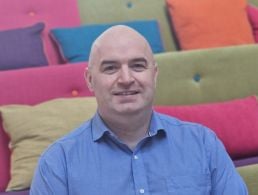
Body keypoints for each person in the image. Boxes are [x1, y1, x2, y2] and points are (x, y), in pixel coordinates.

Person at [30, 25, 248, 195]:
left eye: (137, 66)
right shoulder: (58, 164)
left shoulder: (202, 143)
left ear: (154, 75)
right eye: (111, 68)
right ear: (89, 80)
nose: (126, 79)